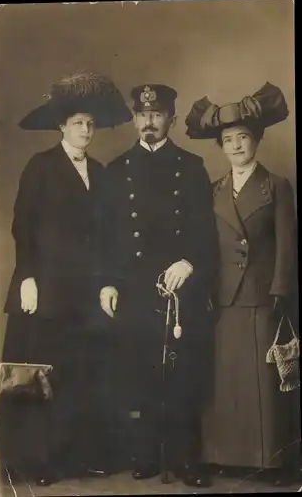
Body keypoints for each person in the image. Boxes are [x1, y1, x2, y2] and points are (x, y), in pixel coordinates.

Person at [0, 72, 132, 486]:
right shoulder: (40, 167)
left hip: (86, 294)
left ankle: (78, 457)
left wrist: (109, 283)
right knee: (42, 376)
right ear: (61, 127)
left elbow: (112, 237)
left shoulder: (104, 173)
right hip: (46, 288)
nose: (86, 130)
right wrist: (28, 278)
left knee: (82, 374)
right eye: (78, 124)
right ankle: (36, 462)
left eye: (90, 124)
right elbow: (24, 227)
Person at [100, 84, 219, 487]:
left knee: (183, 374)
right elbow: (107, 235)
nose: (148, 122)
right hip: (135, 287)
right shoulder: (117, 170)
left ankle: (186, 459)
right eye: (142, 115)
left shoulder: (191, 165)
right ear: (135, 119)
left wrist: (190, 261)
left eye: (157, 114)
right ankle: (147, 454)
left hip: (180, 286)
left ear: (170, 117)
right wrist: (108, 283)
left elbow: (207, 228)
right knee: (142, 372)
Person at [185, 82, 300, 486]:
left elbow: (287, 245)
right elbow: (205, 244)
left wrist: (280, 292)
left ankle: (269, 461)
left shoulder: (276, 185)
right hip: (223, 296)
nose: (236, 146)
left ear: (256, 141)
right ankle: (224, 456)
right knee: (225, 381)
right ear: (221, 146)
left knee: (262, 383)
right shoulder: (213, 189)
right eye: (228, 140)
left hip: (261, 295)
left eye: (243, 138)